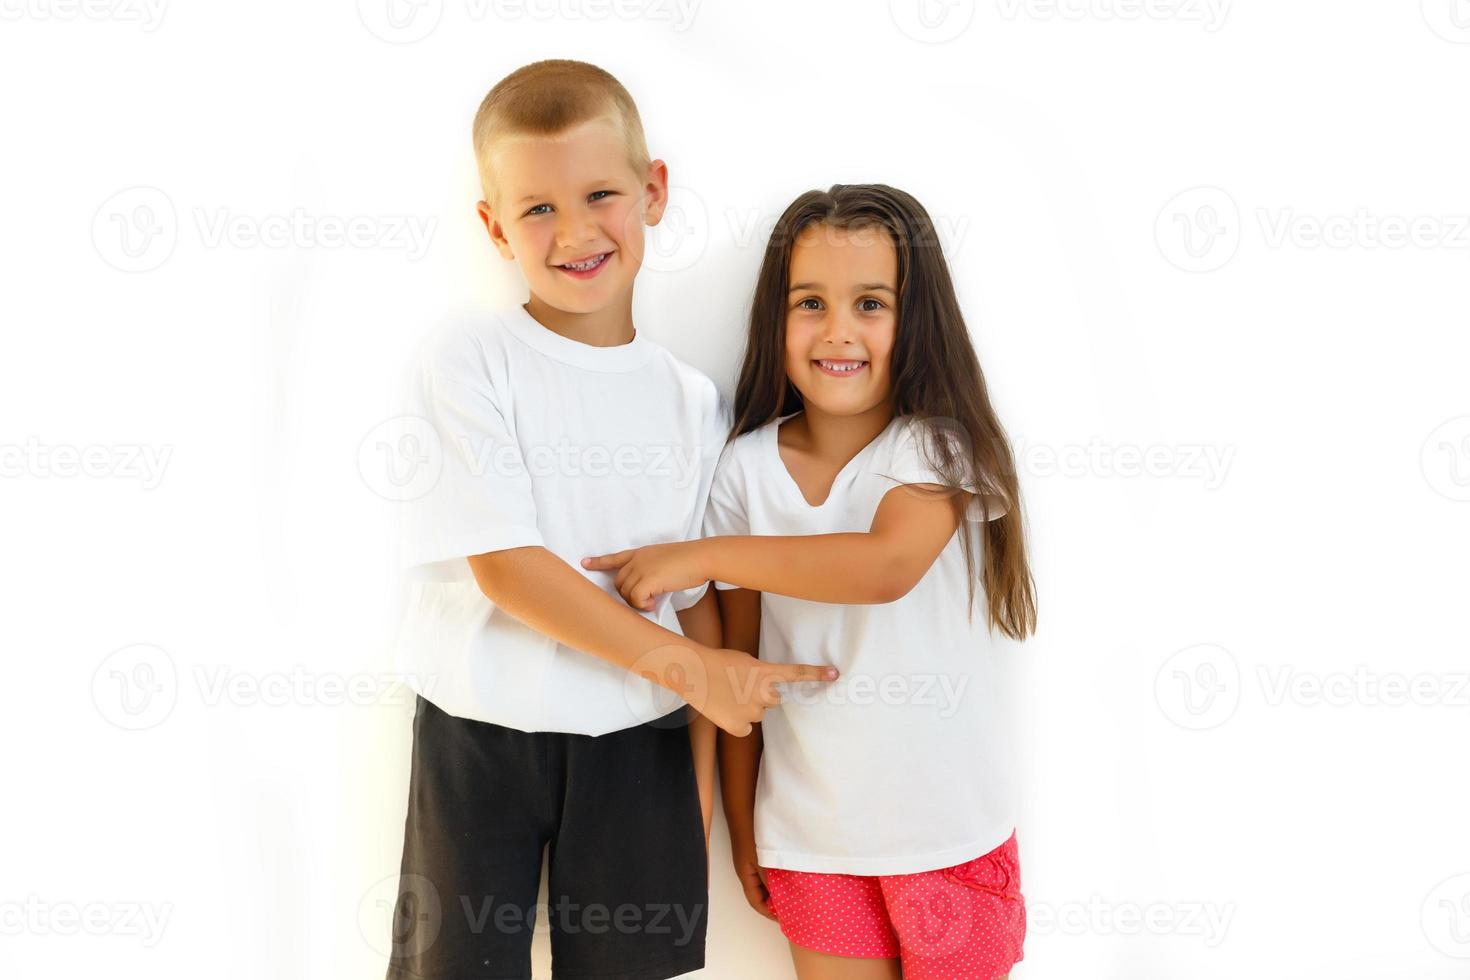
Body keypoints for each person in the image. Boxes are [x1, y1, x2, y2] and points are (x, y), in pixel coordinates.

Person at [384, 60, 837, 980]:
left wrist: (697, 806)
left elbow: (701, 602)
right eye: (537, 208)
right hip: (481, 733)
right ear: (492, 225)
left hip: (646, 749)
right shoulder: (471, 358)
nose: (575, 231)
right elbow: (508, 569)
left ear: (653, 191)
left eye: (600, 194)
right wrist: (688, 666)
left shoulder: (691, 402)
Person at [585, 183, 1037, 980]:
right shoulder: (747, 468)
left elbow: (885, 567)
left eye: (870, 303)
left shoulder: (935, 447)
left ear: (916, 319)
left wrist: (704, 555)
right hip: (811, 841)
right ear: (778, 316)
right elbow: (739, 677)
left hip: (949, 835)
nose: (838, 331)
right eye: (809, 302)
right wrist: (743, 825)